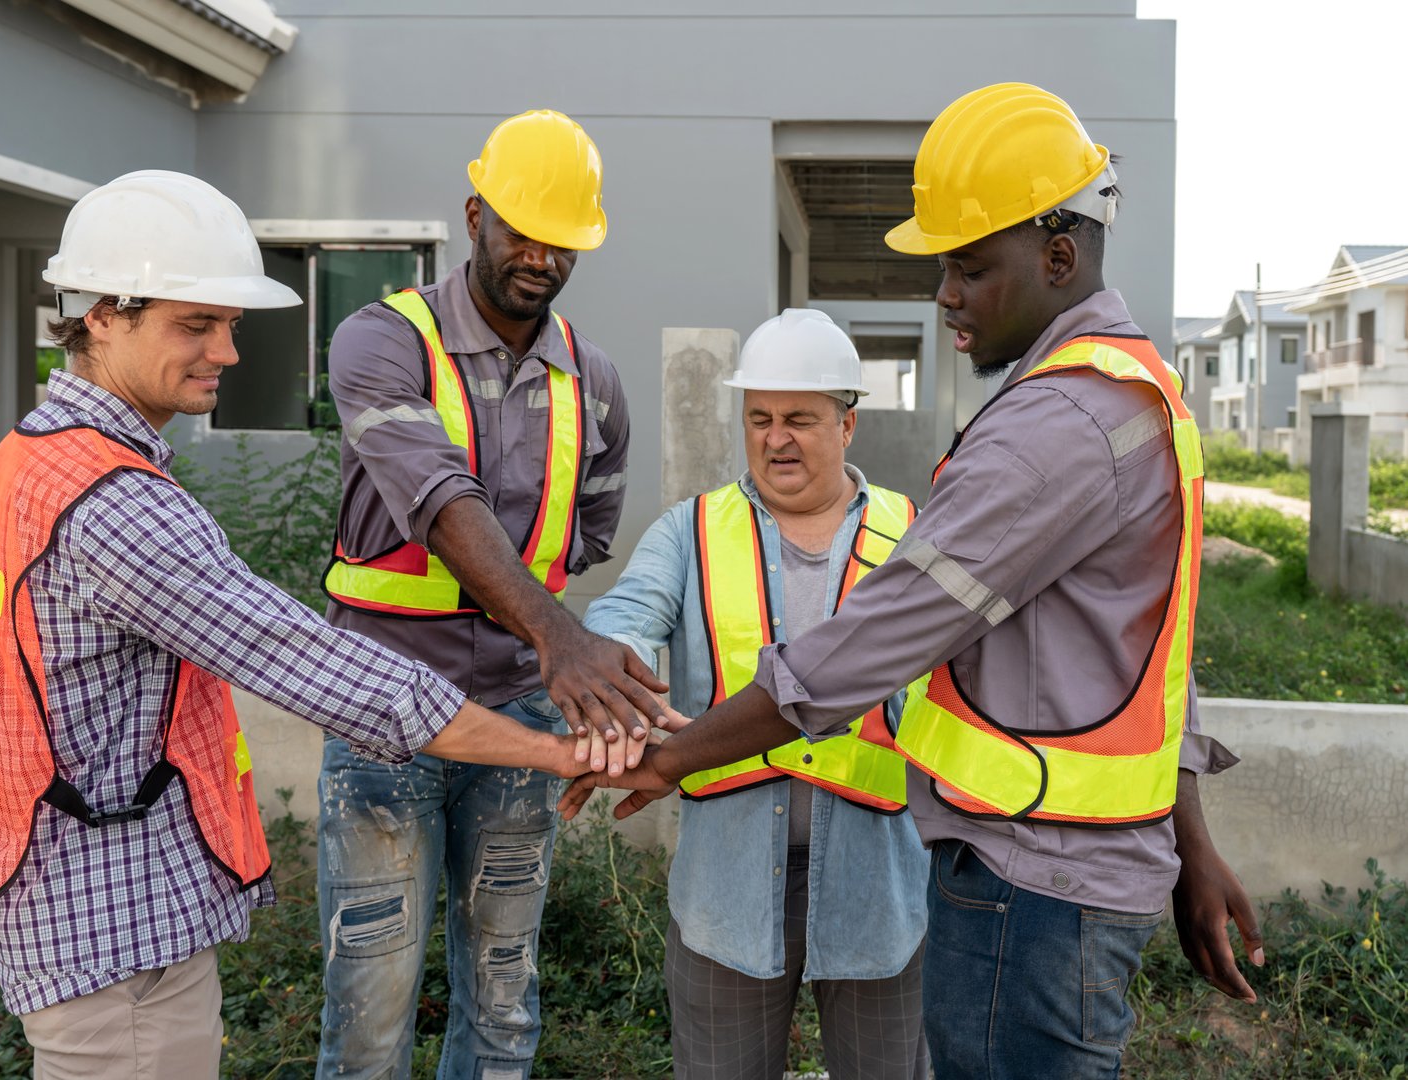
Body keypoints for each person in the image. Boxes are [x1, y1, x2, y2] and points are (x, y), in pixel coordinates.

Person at [562, 83, 1263, 1079]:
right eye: (757, 418)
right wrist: (1187, 842)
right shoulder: (1133, 396)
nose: (945, 295)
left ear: (1057, 256)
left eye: (969, 267)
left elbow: (865, 645)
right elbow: (1158, 659)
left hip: (1022, 885)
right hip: (1010, 875)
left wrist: (674, 759)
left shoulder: (1051, 428)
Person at [0, 170, 590, 1080]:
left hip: (83, 900)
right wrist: (561, 753)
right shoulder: (113, 504)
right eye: (196, 324)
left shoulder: (37, 452)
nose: (227, 352)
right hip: (115, 932)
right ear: (102, 314)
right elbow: (315, 664)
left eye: (229, 324)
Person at [316, 110, 657, 1079]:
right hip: (384, 711)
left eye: (562, 241)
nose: (538, 256)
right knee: (371, 1011)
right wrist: (556, 635)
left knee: (504, 996)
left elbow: (586, 532)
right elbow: (433, 492)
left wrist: (549, 646)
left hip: (516, 713)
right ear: (474, 215)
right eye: (519, 229)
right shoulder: (379, 341)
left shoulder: (595, 381)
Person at [583, 309, 930, 1080]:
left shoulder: (914, 534)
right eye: (759, 418)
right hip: (725, 887)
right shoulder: (691, 531)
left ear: (847, 425)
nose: (777, 438)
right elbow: (625, 617)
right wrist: (614, 676)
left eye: (801, 419)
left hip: (881, 885)